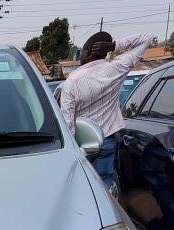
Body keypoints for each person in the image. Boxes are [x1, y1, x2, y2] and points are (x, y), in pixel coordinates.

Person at [60, 32, 154, 189]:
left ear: (88, 51)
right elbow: (147, 38)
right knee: (105, 185)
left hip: (81, 145)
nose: (80, 56)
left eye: (82, 51)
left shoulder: (72, 82)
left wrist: (71, 152)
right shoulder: (117, 68)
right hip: (107, 140)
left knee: (80, 186)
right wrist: (115, 46)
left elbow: (68, 124)